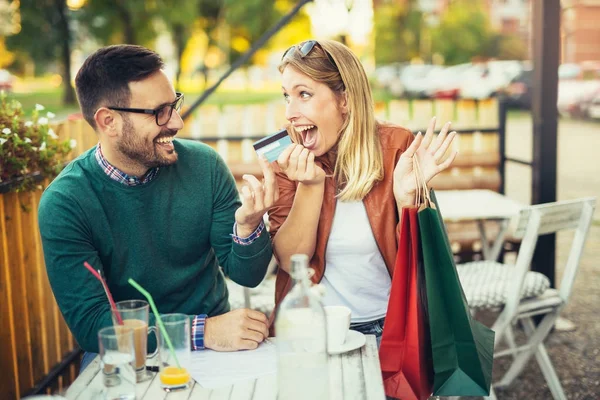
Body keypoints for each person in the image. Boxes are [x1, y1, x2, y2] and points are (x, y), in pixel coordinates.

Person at [38, 45, 277, 370]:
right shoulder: (66, 203)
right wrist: (201, 331)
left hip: (219, 347)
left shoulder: (204, 165)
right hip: (130, 355)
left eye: (174, 104)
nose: (176, 121)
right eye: (159, 111)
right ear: (108, 121)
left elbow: (247, 276)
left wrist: (248, 228)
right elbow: (92, 326)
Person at [268, 40, 458, 344]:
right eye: (286, 97)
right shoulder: (287, 156)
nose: (290, 112)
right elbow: (292, 263)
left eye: (304, 94)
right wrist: (310, 186)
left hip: (389, 329)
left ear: (345, 99)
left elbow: (426, 262)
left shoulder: (396, 146)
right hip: (311, 329)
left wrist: (407, 200)